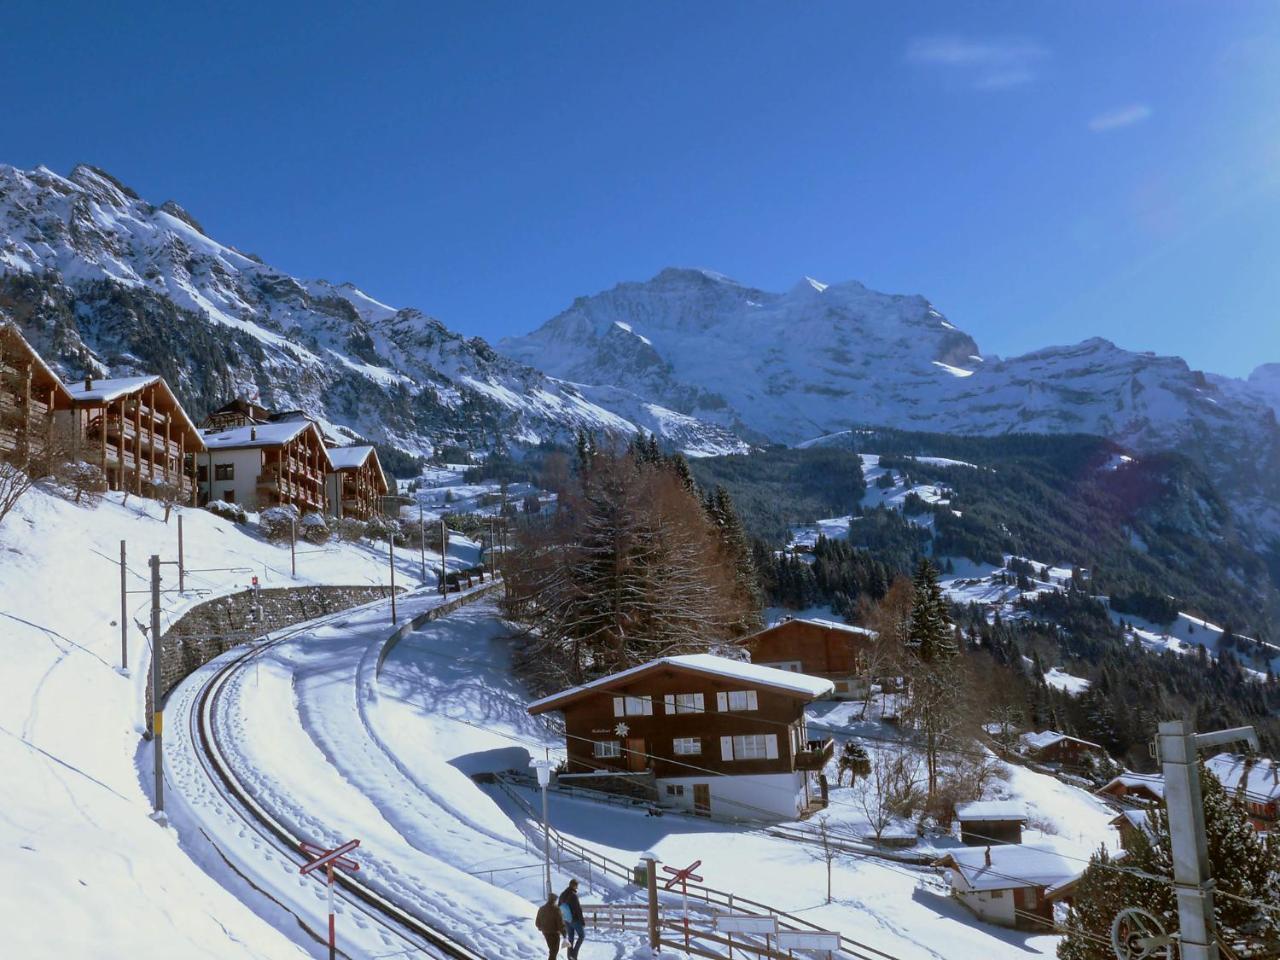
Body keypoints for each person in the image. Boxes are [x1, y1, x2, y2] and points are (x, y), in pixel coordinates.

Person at [558, 879, 586, 958]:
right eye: (576, 886)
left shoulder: (562, 894)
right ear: (574, 885)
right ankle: (574, 955)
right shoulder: (573, 895)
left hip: (567, 920)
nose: (577, 887)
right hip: (575, 920)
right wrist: (582, 921)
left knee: (571, 937)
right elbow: (578, 909)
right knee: (582, 936)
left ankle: (569, 956)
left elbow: (559, 907)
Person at [535, 893, 565, 960]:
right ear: (555, 900)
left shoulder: (541, 909)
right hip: (554, 933)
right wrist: (564, 932)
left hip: (545, 932)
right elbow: (560, 923)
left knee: (552, 951)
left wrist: (541, 928)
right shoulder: (556, 909)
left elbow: (537, 923)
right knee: (554, 951)